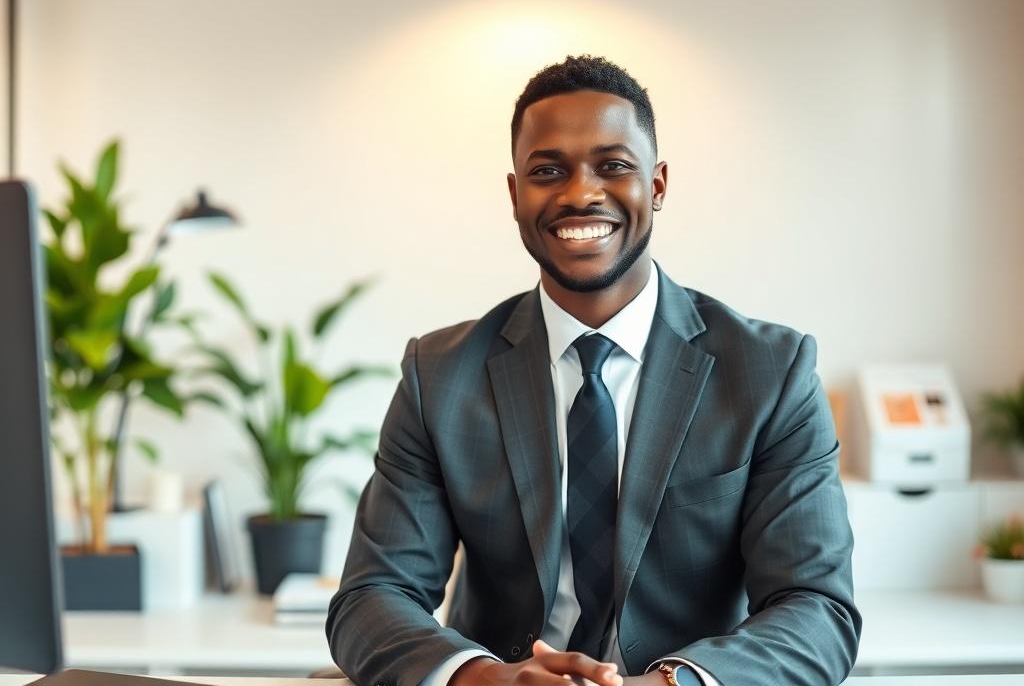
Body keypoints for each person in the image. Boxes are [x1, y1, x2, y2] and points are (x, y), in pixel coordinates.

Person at [326, 55, 860, 686]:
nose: (580, 193)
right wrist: (482, 679)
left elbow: (816, 608)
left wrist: (670, 685)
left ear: (657, 185)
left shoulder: (771, 372)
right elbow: (372, 596)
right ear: (515, 194)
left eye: (613, 166)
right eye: (548, 171)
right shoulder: (438, 376)